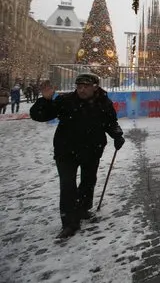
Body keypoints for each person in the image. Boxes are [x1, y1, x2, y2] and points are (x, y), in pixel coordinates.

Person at [29, 73, 125, 239]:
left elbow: (110, 122)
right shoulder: (66, 100)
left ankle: (83, 209)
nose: (81, 90)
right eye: (79, 86)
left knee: (88, 181)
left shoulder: (104, 102)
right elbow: (39, 115)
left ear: (95, 87)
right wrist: (45, 100)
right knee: (67, 186)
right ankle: (69, 223)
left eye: (85, 86)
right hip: (66, 151)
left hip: (92, 150)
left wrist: (117, 135)